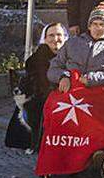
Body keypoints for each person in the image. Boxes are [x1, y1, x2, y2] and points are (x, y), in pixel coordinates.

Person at [4, 23, 68, 151]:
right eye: (51, 35)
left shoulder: (71, 55)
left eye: (59, 35)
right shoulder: (36, 60)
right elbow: (37, 87)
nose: (55, 39)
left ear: (65, 37)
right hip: (41, 100)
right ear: (45, 39)